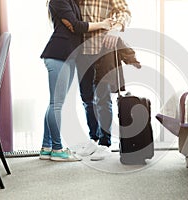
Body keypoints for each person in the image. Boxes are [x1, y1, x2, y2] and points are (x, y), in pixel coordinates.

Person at [39, 0, 112, 162]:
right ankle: (57, 149)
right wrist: (103, 24)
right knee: (56, 105)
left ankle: (46, 147)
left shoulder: (71, 1)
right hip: (58, 55)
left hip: (68, 56)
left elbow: (76, 26)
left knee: (54, 103)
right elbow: (76, 26)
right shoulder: (58, 1)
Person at [76, 0, 131, 161]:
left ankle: (105, 143)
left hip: (103, 50)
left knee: (102, 97)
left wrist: (116, 29)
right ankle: (93, 139)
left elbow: (125, 12)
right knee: (86, 98)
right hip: (81, 51)